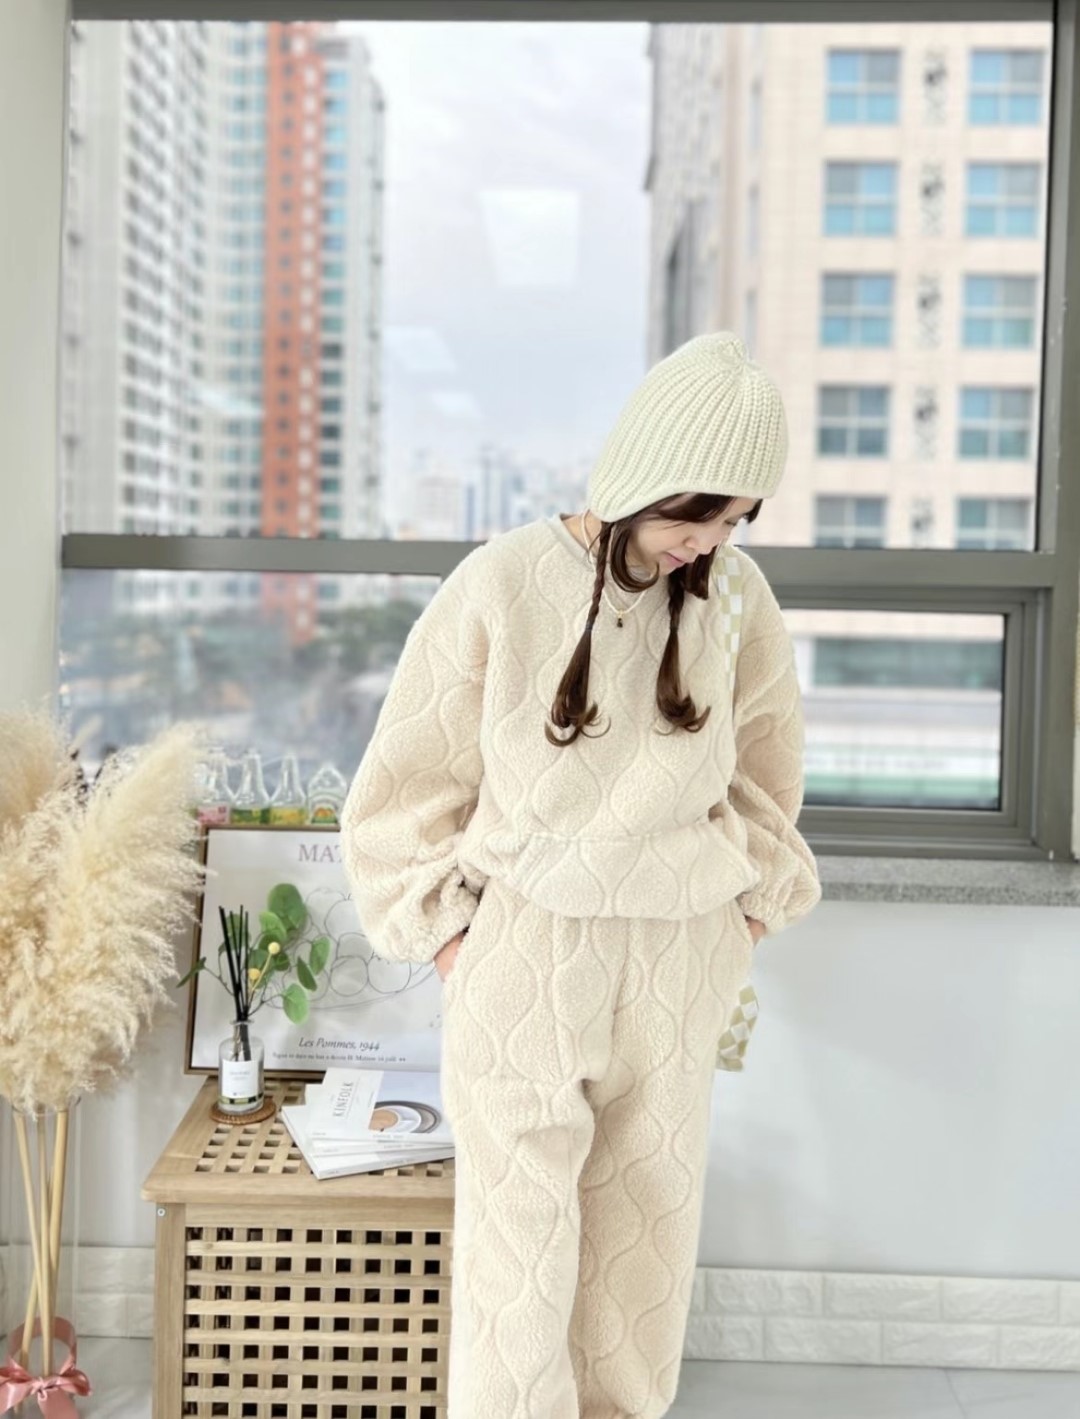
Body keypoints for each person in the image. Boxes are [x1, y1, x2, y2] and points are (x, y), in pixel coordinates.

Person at [340, 330, 822, 1419]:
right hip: (526, 944)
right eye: (697, 515)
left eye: (736, 520)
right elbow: (406, 784)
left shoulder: (736, 599)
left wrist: (739, 924)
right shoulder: (502, 582)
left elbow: (767, 774)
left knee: (646, 1230)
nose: (710, 542)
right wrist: (455, 939)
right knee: (516, 1244)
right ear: (642, 475)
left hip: (678, 951)